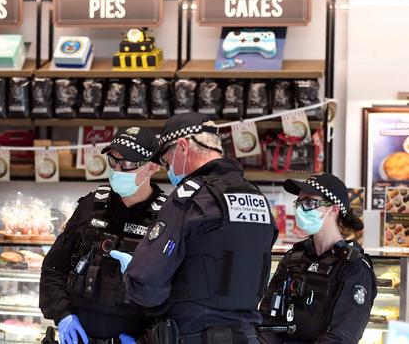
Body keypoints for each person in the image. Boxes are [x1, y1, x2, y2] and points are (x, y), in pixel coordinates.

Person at [111, 113, 278, 344]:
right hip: (248, 336)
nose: (167, 167)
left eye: (167, 159)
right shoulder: (256, 197)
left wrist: (131, 274)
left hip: (195, 335)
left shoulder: (189, 198)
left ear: (182, 147)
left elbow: (147, 287)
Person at [40, 127, 168, 344]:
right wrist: (63, 315)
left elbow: (176, 297)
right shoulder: (91, 206)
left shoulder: (166, 216)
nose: (117, 170)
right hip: (79, 337)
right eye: (113, 161)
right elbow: (53, 269)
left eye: (126, 164)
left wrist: (148, 341)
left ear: (152, 167)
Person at [258, 173, 376, 344]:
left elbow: (341, 337)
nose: (300, 209)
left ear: (333, 210)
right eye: (299, 202)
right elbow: (266, 321)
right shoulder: (293, 259)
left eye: (309, 202)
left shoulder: (353, 267)